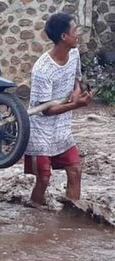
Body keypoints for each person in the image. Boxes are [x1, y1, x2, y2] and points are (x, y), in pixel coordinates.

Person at [24, 12, 93, 206]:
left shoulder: (74, 54)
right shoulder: (42, 70)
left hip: (61, 126)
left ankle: (71, 217)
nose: (78, 34)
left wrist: (77, 91)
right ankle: (36, 219)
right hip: (40, 130)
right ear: (64, 37)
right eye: (75, 30)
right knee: (44, 178)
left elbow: (76, 78)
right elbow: (44, 111)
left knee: (75, 171)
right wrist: (77, 105)